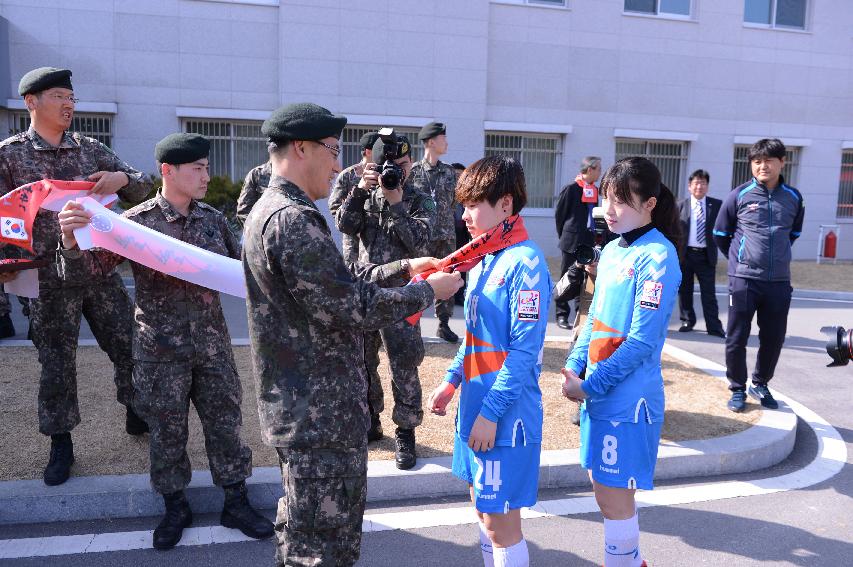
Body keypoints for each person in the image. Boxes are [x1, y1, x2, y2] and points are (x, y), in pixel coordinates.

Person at [241, 102, 462, 567]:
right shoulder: (292, 220)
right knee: (322, 550)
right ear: (301, 148)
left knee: (302, 534)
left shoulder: (277, 209)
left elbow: (340, 282)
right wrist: (425, 291)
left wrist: (403, 267)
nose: (340, 163)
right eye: (333, 150)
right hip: (317, 415)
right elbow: (351, 305)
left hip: (306, 407)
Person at [56, 133, 273, 550]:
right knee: (167, 432)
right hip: (160, 351)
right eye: (197, 168)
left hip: (212, 348)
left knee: (226, 425)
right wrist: (70, 242)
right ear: (168, 171)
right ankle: (175, 506)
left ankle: (236, 501)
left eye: (207, 166)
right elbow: (84, 277)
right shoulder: (135, 224)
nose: (206, 175)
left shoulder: (212, 220)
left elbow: (243, 273)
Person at [0, 66, 152, 486]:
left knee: (128, 345)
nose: (69, 104)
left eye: (72, 98)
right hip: (46, 279)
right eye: (59, 96)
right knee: (56, 363)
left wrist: (123, 178)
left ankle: (137, 411)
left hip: (99, 273)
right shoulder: (9, 155)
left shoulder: (91, 149)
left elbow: (143, 187)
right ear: (31, 102)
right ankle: (60, 442)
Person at [428, 156, 551, 567]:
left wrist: (491, 414)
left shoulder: (527, 263)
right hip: (475, 408)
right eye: (463, 205)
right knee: (481, 510)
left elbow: (523, 352)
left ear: (506, 205)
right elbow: (476, 338)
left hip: (505, 416)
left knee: (501, 523)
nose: (464, 216)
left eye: (473, 204)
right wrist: (451, 382)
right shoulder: (484, 260)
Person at [561, 157, 681, 567]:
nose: (609, 210)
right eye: (608, 199)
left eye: (621, 201)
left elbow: (641, 342)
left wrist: (589, 386)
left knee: (614, 499)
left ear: (649, 204)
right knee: (602, 489)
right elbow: (595, 317)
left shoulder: (659, 256)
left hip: (629, 400)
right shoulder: (611, 249)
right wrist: (575, 363)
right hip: (600, 394)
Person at [336, 131, 435, 469]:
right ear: (372, 164)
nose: (397, 171)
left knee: (404, 364)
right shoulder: (362, 193)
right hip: (366, 292)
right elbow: (345, 226)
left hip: (403, 296)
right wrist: (362, 190)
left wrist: (396, 203)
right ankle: (372, 420)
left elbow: (421, 246)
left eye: (403, 164)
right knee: (363, 363)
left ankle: (406, 431)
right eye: (388, 165)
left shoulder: (421, 199)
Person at [713, 138, 805, 413]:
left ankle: (760, 383)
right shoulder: (739, 195)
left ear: (782, 162)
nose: (762, 166)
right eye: (756, 161)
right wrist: (740, 259)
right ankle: (737, 388)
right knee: (736, 336)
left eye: (768, 160)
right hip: (743, 279)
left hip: (778, 281)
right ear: (751, 164)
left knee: (774, 337)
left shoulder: (793, 197)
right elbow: (720, 234)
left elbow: (793, 234)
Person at [409, 121, 460, 343]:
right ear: (431, 141)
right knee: (419, 278)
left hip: (446, 234)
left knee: (447, 275)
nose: (446, 142)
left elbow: (454, 203)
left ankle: (444, 323)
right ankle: (414, 322)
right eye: (443, 138)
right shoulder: (413, 172)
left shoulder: (449, 172)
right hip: (422, 234)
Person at [554, 156, 601, 329]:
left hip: (588, 241)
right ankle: (561, 314)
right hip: (571, 241)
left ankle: (581, 315)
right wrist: (565, 236)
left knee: (584, 279)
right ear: (590, 169)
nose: (600, 173)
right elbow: (560, 215)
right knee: (567, 277)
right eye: (598, 169)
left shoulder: (594, 190)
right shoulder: (572, 189)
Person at [677, 169, 725, 338]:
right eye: (696, 183)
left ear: (707, 186)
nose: (700, 186)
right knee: (685, 291)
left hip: (706, 255)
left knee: (709, 293)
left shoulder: (717, 205)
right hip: (686, 255)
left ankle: (714, 326)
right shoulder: (680, 205)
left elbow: (724, 229)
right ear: (690, 186)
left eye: (703, 183)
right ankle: (687, 320)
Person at [329, 131, 378, 264]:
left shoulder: (382, 174)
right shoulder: (348, 175)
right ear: (368, 152)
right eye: (379, 149)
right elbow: (335, 205)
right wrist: (351, 218)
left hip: (376, 240)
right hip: (353, 242)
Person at [451, 162, 469, 307]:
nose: (458, 178)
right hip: (447, 234)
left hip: (462, 234)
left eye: (461, 175)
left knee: (462, 266)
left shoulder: (467, 193)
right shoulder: (444, 191)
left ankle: (459, 295)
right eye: (456, 175)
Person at [236, 159, 271, 227]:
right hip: (261, 233)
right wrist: (258, 231)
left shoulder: (295, 174)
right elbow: (243, 211)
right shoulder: (257, 174)